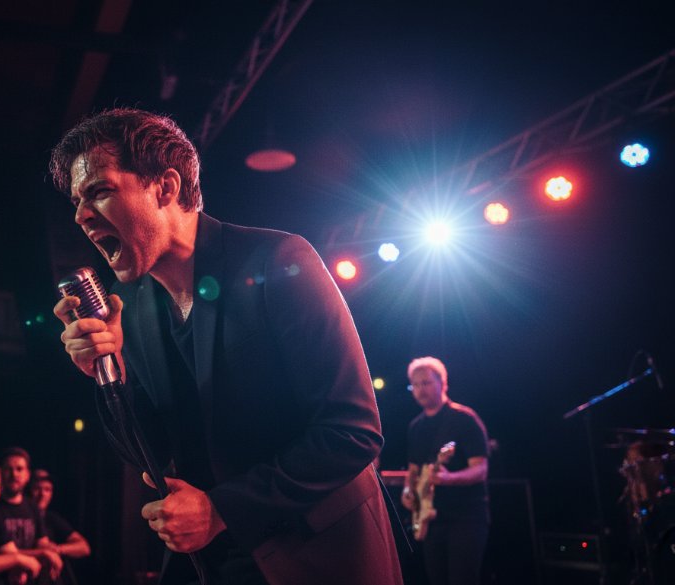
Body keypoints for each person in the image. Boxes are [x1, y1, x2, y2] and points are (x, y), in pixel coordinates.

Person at [50, 108, 402, 585]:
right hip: (214, 560)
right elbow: (149, 453)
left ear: (165, 187)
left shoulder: (279, 261)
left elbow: (353, 430)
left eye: (99, 191)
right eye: (76, 201)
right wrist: (107, 373)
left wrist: (221, 510)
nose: (80, 216)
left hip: (317, 555)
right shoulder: (129, 304)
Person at [401, 357, 489, 585]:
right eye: (415, 385)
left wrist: (450, 479)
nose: (420, 389)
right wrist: (408, 491)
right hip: (430, 520)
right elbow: (413, 470)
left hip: (465, 517)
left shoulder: (464, 419)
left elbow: (480, 469)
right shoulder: (415, 427)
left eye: (426, 383)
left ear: (443, 383)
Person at [0, 448, 64, 582]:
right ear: (1, 473)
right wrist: (43, 553)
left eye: (19, 469)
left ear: (27, 475)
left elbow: (42, 542)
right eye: (8, 469)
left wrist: (51, 553)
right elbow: (4, 552)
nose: (14, 474)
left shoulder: (32, 506)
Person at [28, 470, 91, 582]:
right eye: (37, 489)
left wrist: (56, 549)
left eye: (47, 490)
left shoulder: (51, 518)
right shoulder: (20, 516)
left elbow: (84, 547)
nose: (42, 494)